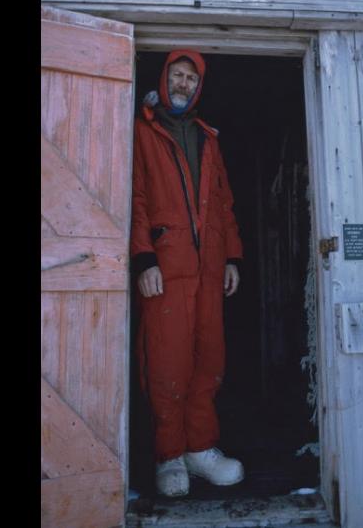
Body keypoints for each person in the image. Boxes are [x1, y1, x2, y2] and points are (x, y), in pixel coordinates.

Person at [131, 49, 244, 497]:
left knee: (208, 358)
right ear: (164, 78)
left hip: (209, 269)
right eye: (177, 76)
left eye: (190, 80)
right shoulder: (144, 131)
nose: (183, 85)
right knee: (166, 362)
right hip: (166, 266)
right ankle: (169, 456)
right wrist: (143, 258)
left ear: (199, 87)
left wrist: (232, 257)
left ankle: (200, 449)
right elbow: (135, 198)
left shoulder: (207, 138)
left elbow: (224, 204)